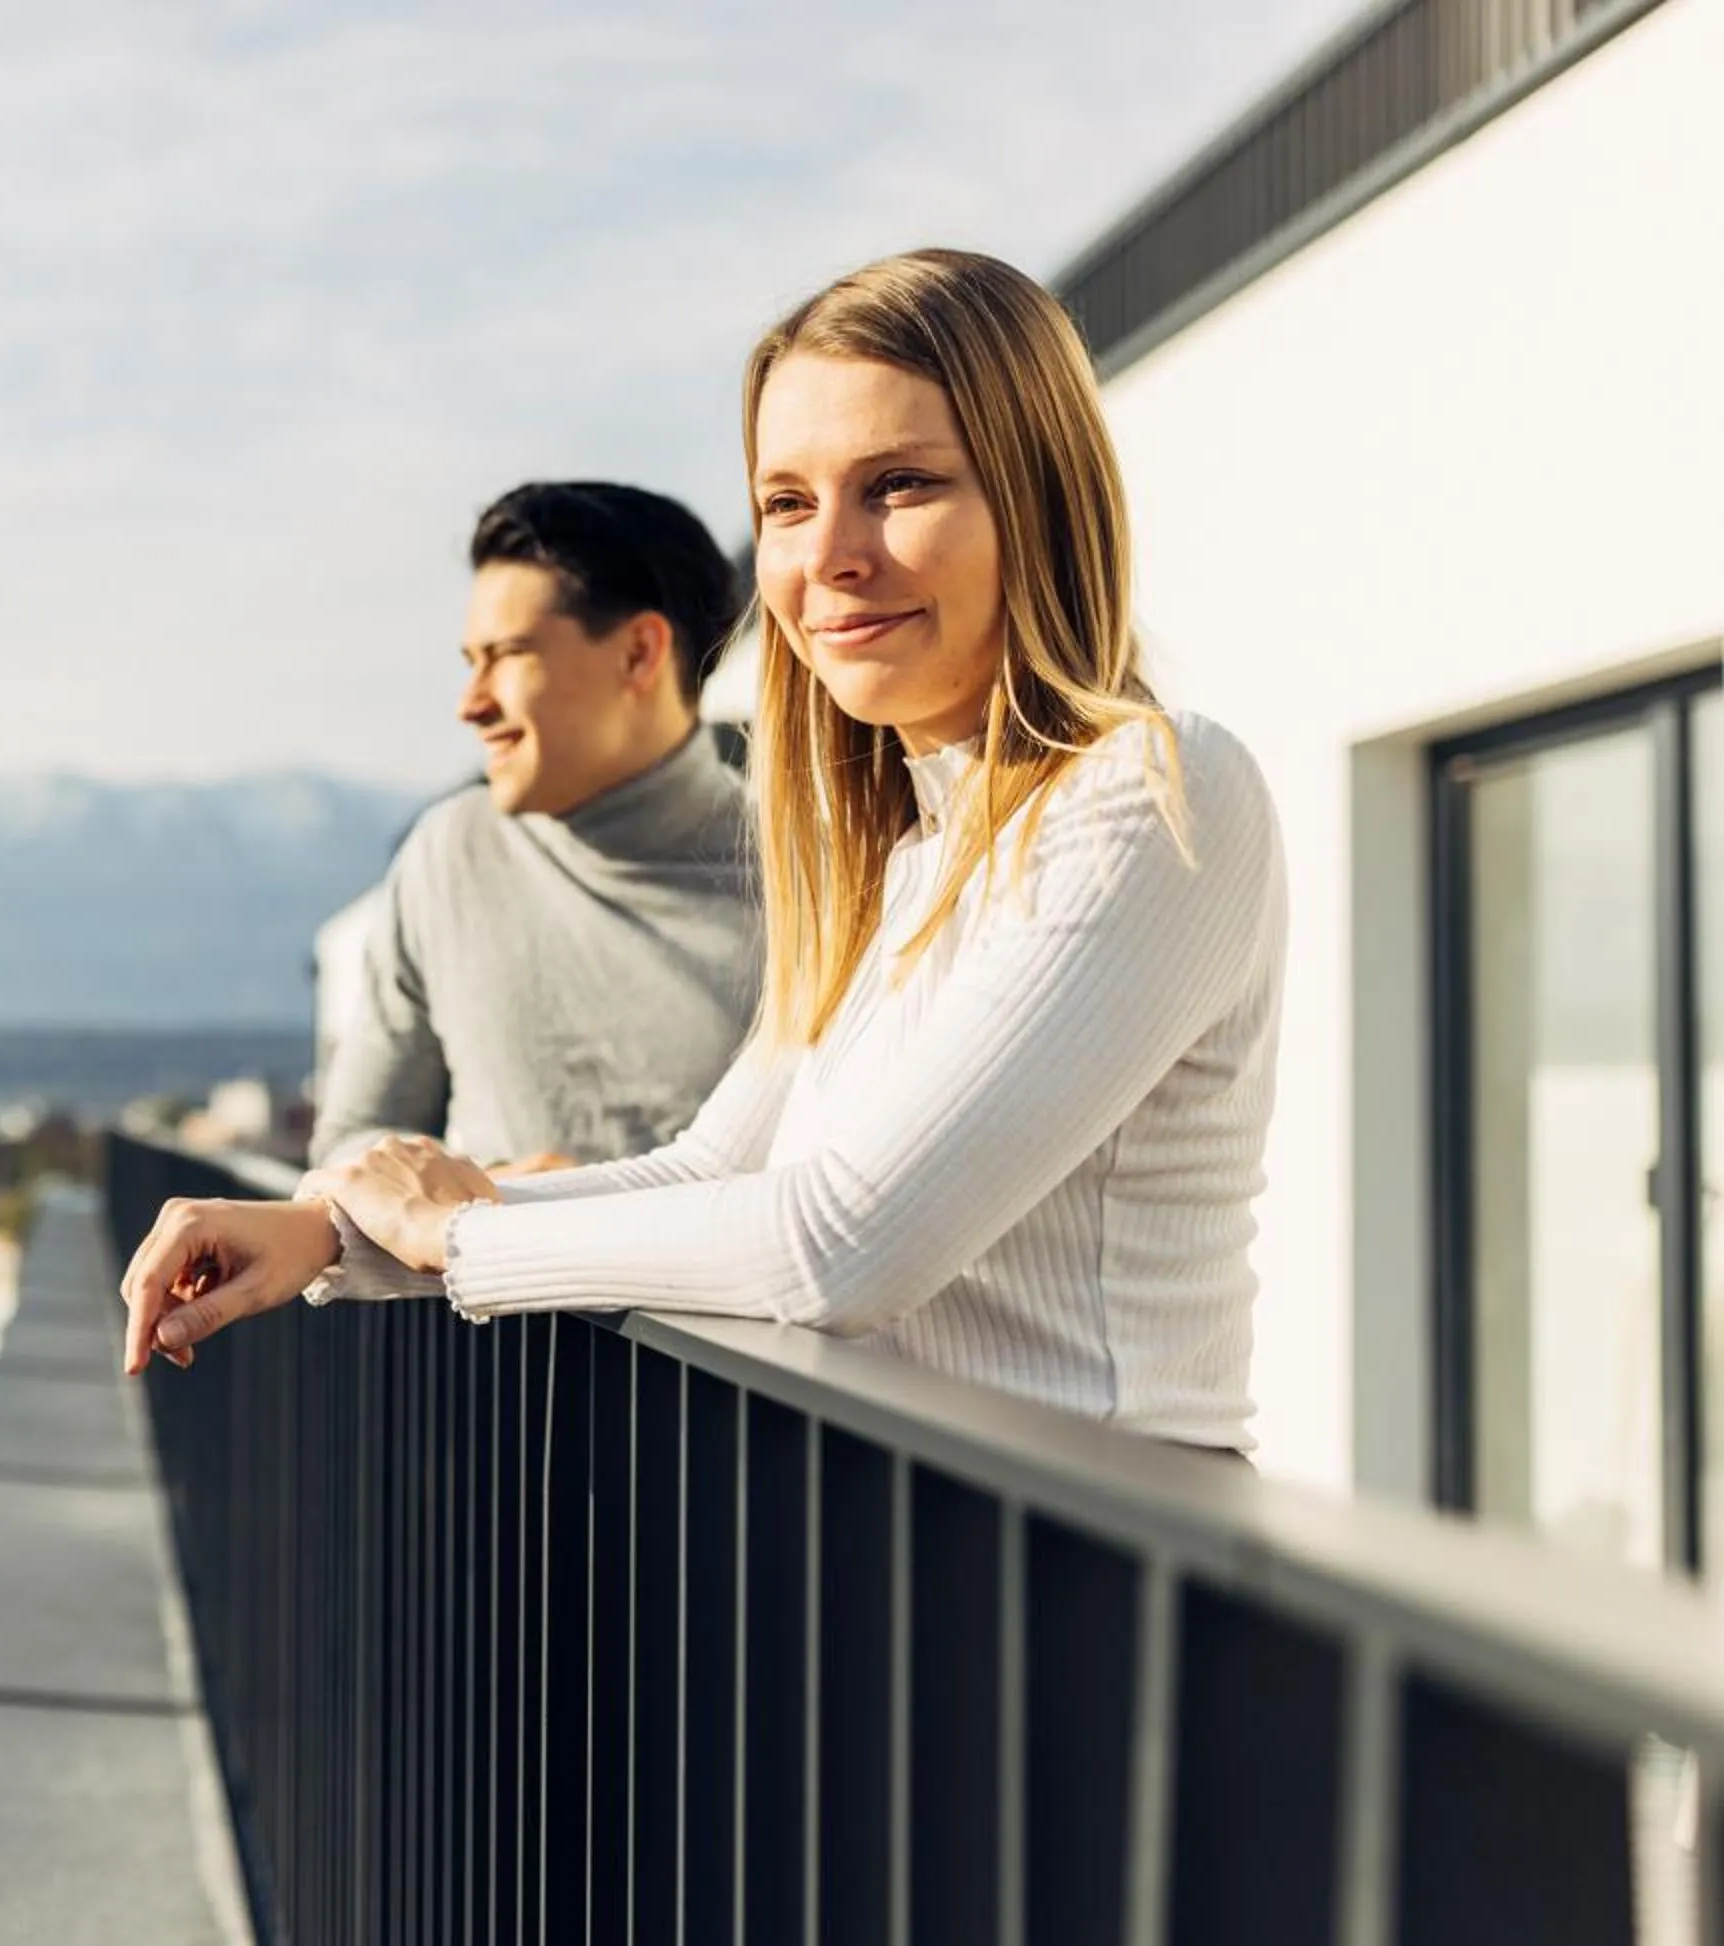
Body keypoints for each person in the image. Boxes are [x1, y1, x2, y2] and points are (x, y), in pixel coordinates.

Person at [122, 248, 1287, 1453]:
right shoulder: (901, 856)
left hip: (1088, 1585)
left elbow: (841, 1245)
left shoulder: (1154, 791)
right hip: (912, 1560)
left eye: (898, 483)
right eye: (786, 501)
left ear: (1037, 499)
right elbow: (712, 1171)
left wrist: (454, 1234)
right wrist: (330, 1232)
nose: (828, 554)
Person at [307, 482, 764, 1176]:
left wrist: (558, 1214)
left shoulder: (805, 878)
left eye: (509, 654)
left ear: (640, 654)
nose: (470, 704)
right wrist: (470, 1192)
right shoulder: (449, 854)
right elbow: (352, 1140)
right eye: (471, 663)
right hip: (484, 1286)